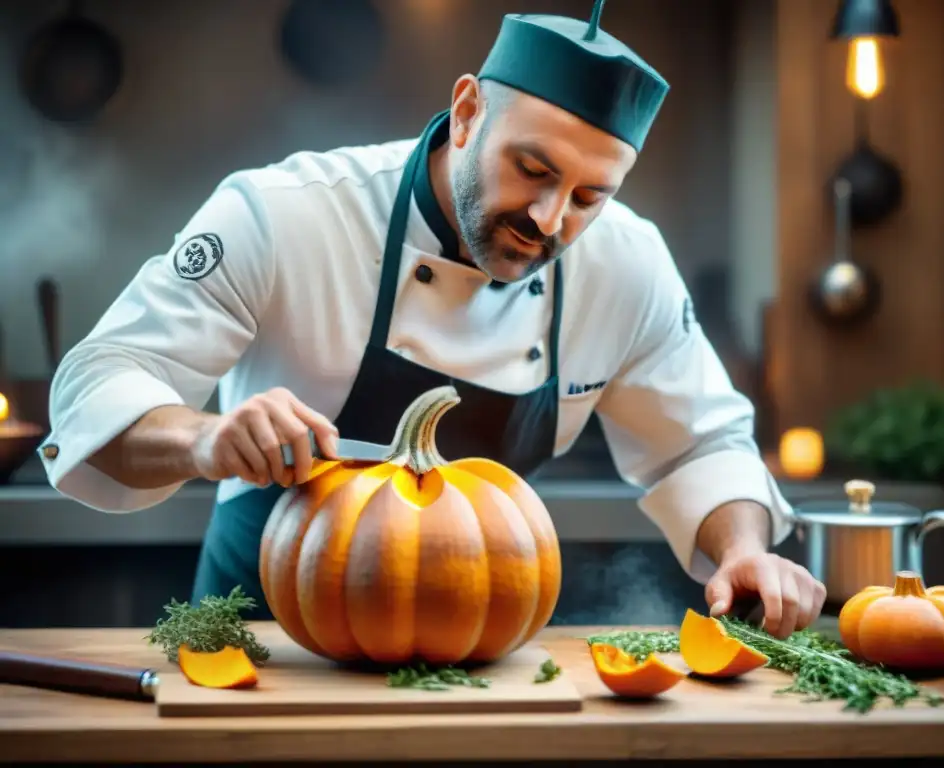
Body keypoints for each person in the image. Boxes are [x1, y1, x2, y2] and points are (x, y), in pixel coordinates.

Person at [39, 1, 825, 639]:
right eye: (534, 169)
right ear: (467, 109)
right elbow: (95, 385)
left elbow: (700, 444)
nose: (550, 219)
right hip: (262, 639)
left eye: (591, 197)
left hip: (475, 653)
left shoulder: (627, 262)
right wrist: (205, 439)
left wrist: (745, 549)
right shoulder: (284, 215)